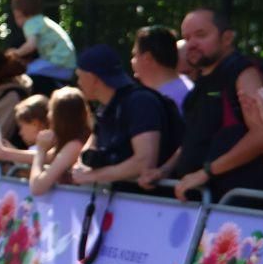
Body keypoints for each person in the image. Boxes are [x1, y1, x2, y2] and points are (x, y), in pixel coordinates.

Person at [144, 9, 263, 200]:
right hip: (202, 203)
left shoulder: (243, 73)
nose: (191, 43)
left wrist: (207, 172)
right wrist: (164, 170)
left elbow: (261, 135)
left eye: (200, 35)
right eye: (187, 37)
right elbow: (193, 139)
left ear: (227, 38)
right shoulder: (201, 81)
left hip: (235, 204)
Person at [71, 44, 183, 187]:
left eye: (79, 76)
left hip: (147, 199)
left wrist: (92, 176)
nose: (78, 83)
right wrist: (82, 166)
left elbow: (144, 162)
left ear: (92, 78)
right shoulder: (106, 108)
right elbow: (90, 148)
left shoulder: (141, 103)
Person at [6, 0, 76, 96]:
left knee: (26, 72)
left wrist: (15, 53)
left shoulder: (30, 24)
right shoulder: (41, 20)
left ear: (18, 13)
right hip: (68, 65)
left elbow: (31, 45)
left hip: (59, 64)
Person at [24, 87, 91, 195]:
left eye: (51, 110)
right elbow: (50, 157)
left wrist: (41, 150)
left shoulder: (74, 146)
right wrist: (4, 153)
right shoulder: (72, 141)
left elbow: (37, 187)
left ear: (59, 117)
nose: (48, 115)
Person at [131, 25, 192, 111]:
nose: (132, 61)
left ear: (147, 58)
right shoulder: (189, 89)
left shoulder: (159, 102)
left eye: (134, 55)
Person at [0, 94, 51, 166]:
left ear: (36, 124)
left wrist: (6, 152)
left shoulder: (42, 149)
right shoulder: (38, 149)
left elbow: (27, 170)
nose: (20, 133)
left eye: (21, 127)